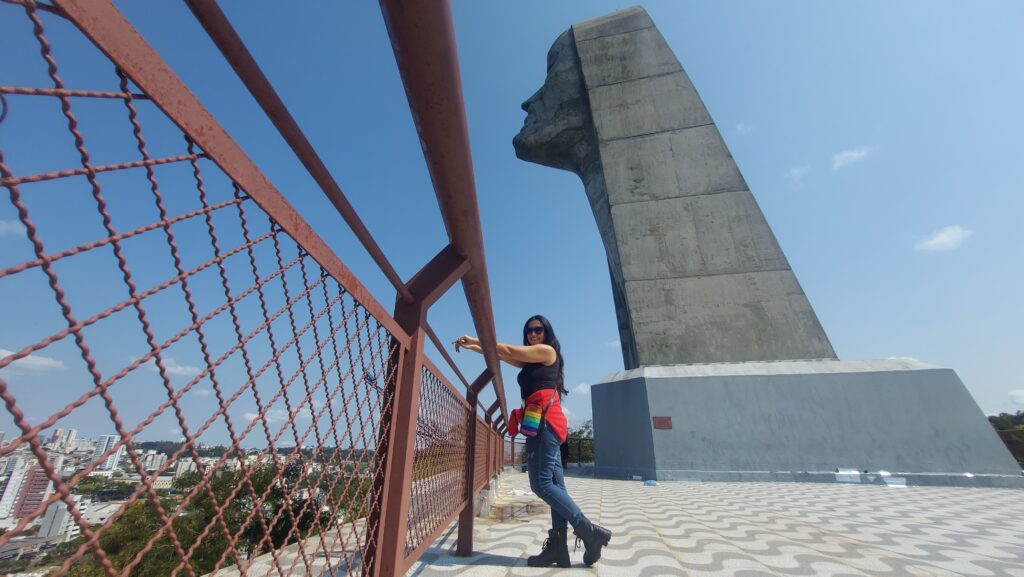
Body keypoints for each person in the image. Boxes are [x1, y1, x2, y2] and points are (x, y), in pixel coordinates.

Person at [454, 315, 612, 567]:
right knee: (555, 486)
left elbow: (505, 349)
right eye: (528, 330)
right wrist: (473, 345)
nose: (532, 334)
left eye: (538, 329)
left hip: (545, 423)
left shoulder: (547, 352)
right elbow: (503, 356)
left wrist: (475, 338)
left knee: (540, 485)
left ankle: (589, 532)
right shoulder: (532, 360)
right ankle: (558, 549)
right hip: (544, 423)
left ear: (546, 332)